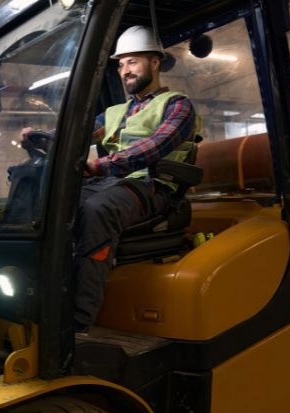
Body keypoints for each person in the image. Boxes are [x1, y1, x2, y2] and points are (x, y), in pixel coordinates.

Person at [71, 25, 200, 332]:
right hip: (113, 183)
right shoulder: (115, 111)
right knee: (55, 205)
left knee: (97, 211)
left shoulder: (177, 105)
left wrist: (103, 165)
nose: (124, 70)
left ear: (154, 62)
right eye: (120, 64)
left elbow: (154, 147)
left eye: (132, 61)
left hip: (154, 186)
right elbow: (78, 136)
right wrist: (44, 137)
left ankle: (77, 324)